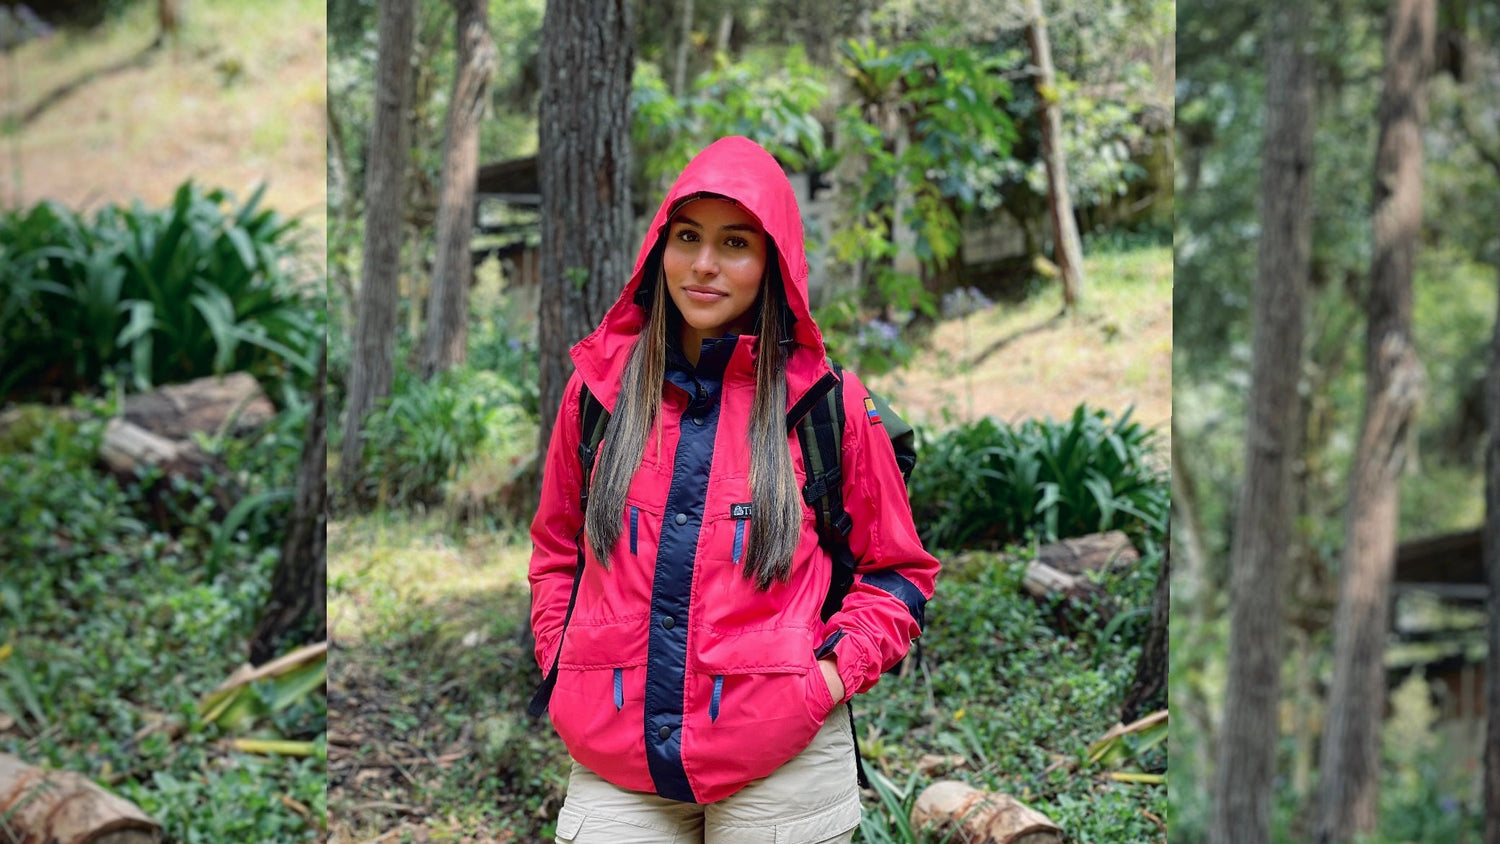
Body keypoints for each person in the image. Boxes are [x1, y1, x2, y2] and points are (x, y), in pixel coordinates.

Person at [528, 136, 940, 844]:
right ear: (659, 247)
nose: (705, 265)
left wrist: (824, 683)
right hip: (612, 755)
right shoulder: (599, 393)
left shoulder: (827, 407)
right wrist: (565, 663)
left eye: (736, 243)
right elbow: (555, 550)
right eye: (687, 237)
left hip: (782, 764)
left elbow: (898, 574)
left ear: (773, 263)